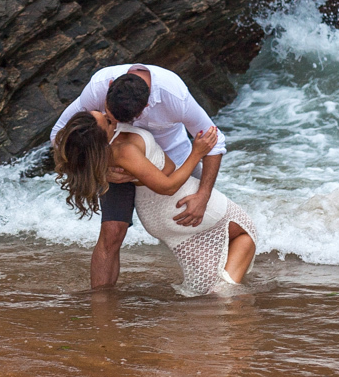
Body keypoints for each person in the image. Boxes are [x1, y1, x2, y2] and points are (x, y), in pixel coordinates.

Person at [50, 64, 227, 288]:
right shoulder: (98, 85)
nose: (109, 119)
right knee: (111, 232)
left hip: (174, 164)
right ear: (110, 87)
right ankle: (101, 305)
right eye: (108, 116)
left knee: (200, 222)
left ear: (144, 109)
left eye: (114, 119)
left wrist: (203, 194)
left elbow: (214, 141)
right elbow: (60, 134)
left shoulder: (174, 95)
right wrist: (101, 168)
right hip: (117, 165)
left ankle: (216, 286)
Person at [52, 109, 258, 296]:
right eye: (106, 120)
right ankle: (222, 296)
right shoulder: (123, 151)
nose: (109, 115)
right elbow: (167, 186)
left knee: (206, 279)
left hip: (157, 212)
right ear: (103, 136)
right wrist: (197, 153)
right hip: (176, 201)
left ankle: (212, 299)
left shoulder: (94, 150)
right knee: (246, 232)